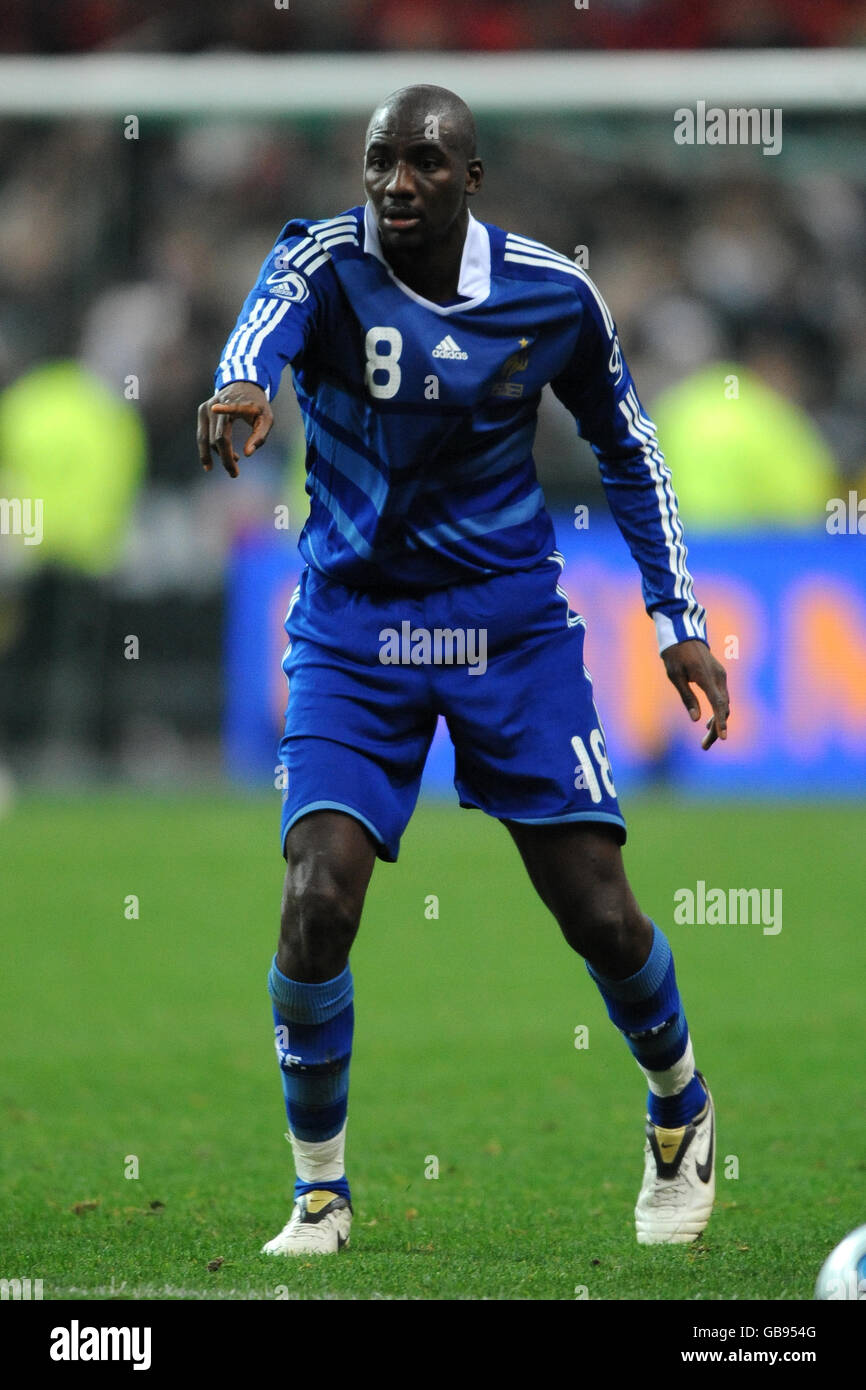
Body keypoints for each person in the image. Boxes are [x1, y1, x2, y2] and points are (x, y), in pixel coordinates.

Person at [197, 85, 730, 1255]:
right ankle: (320, 1192)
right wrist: (242, 379)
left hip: (506, 630)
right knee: (316, 897)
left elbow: (627, 449)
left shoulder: (549, 294)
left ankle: (679, 1104)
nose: (396, 183)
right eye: (380, 161)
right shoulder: (323, 260)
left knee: (594, 907)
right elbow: (263, 322)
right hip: (353, 629)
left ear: (472, 179)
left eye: (426, 164)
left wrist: (673, 613)